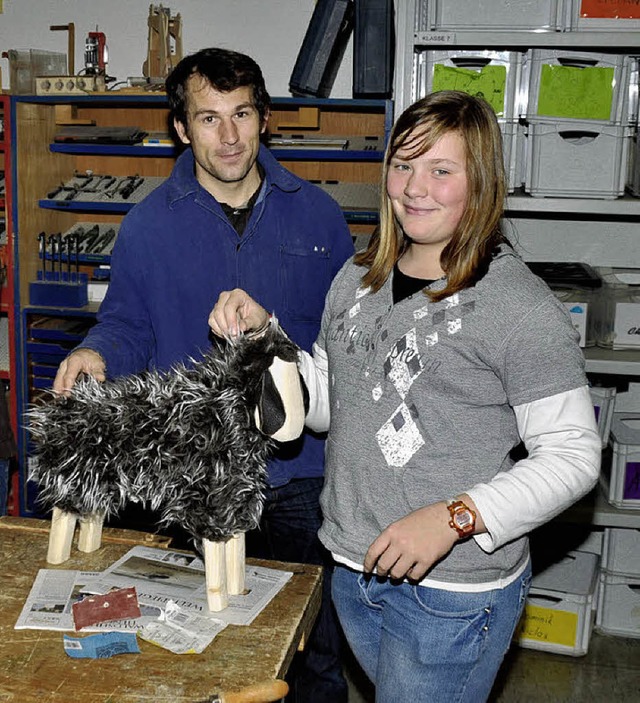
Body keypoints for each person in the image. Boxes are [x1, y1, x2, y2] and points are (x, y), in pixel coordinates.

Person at [209, 90, 602, 702]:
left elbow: (575, 456)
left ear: (481, 182)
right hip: (353, 564)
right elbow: (333, 404)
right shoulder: (358, 278)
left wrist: (454, 518)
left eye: (441, 171)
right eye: (403, 165)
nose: (415, 187)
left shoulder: (517, 308)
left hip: (452, 591)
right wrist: (265, 339)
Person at [52, 48, 354, 703]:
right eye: (209, 118)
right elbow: (129, 323)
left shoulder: (320, 218)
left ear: (265, 117)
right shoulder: (148, 225)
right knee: (199, 645)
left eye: (242, 114)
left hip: (300, 473)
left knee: (312, 653)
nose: (229, 136)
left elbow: (346, 344)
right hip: (198, 473)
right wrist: (96, 353)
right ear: (181, 129)